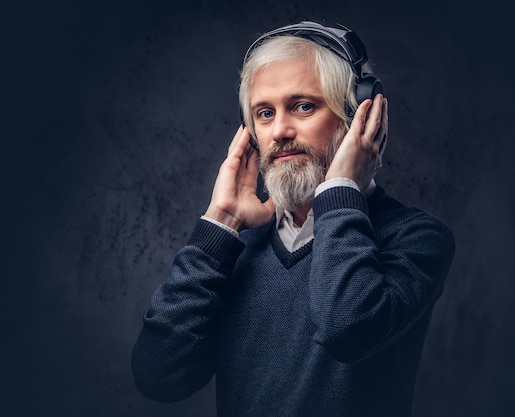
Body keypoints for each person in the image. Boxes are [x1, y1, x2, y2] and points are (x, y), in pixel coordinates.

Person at [132, 20, 455, 417]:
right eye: (264, 113)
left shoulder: (416, 238)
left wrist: (339, 188)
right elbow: (158, 375)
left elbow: (347, 329)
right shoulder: (235, 251)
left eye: (303, 106)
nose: (280, 131)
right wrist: (220, 225)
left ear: (357, 116)